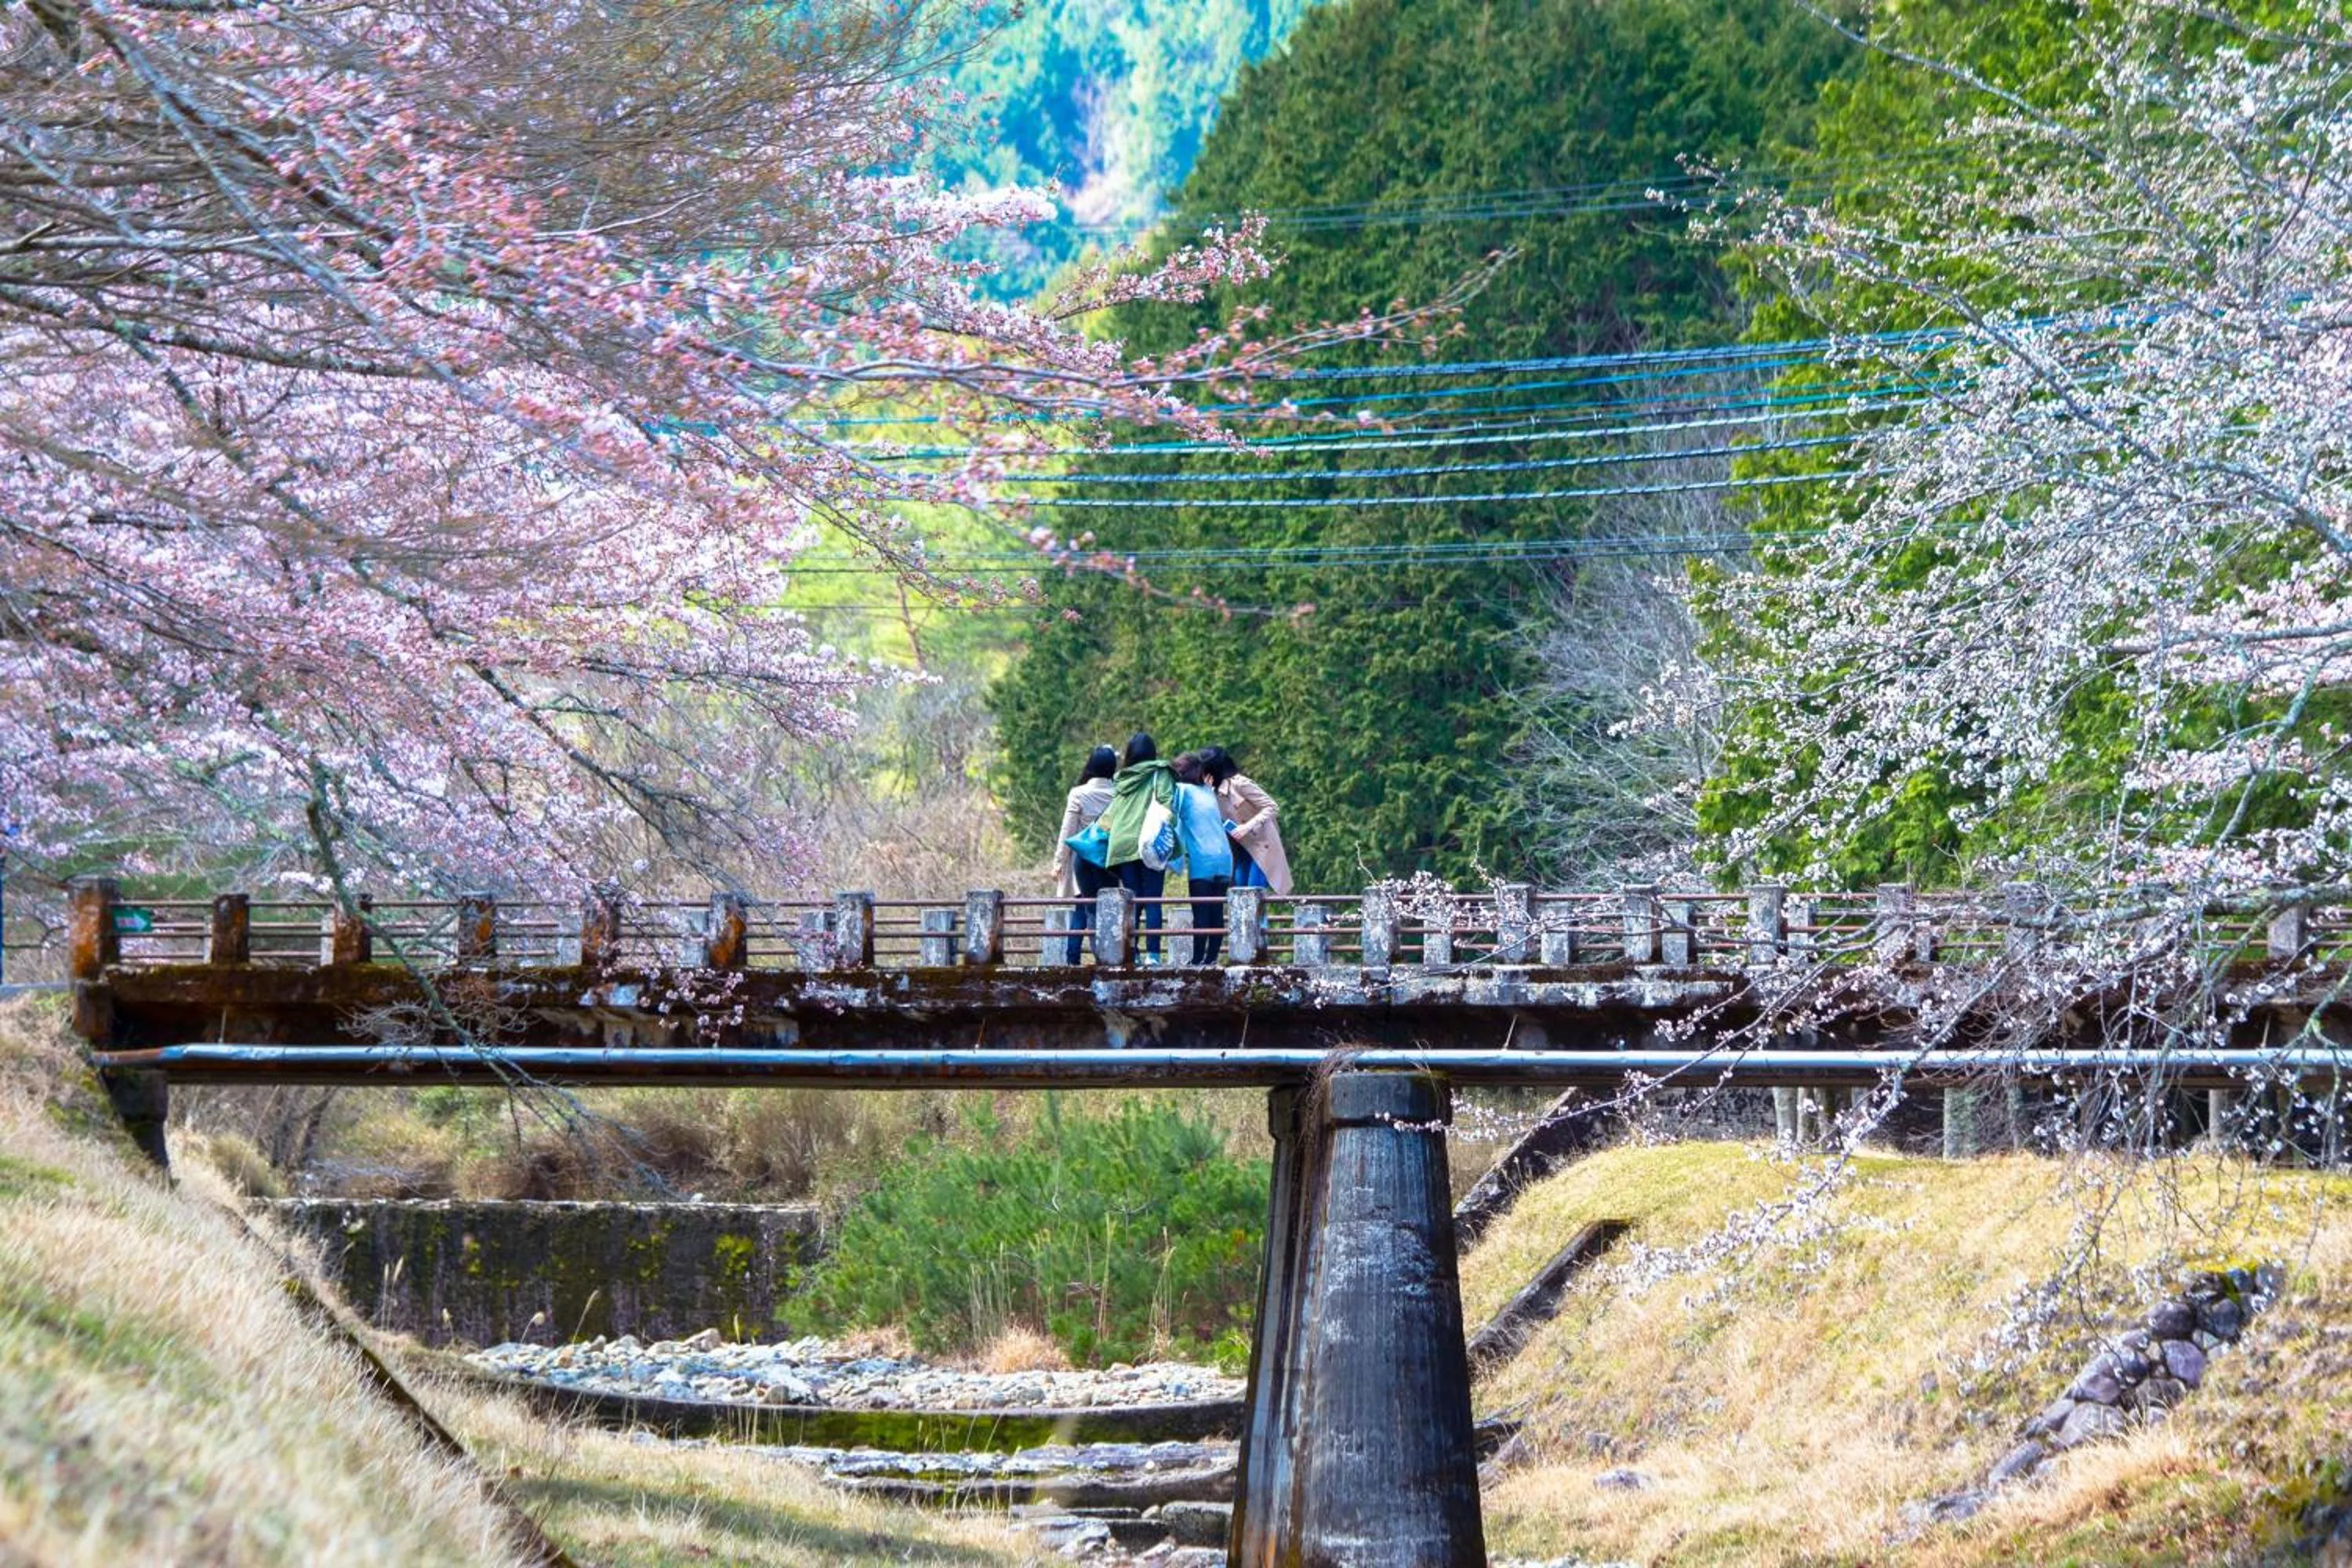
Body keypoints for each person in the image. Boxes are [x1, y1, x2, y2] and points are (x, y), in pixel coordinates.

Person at [1096, 731, 1175, 961]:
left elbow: (1112, 816)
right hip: (1148, 842)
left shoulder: (1122, 779)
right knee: (1152, 899)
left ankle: (1132, 952)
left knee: (1131, 899)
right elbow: (1167, 806)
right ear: (1152, 752)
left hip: (1122, 842)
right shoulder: (1159, 773)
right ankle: (1152, 955)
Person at [1051, 745, 1119, 964]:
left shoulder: (1078, 794)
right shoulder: (1119, 793)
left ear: (1090, 765)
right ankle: (1107, 958)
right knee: (1108, 908)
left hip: (1082, 859)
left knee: (1083, 907)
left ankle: (1072, 960)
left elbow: (1067, 830)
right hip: (1108, 859)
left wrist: (1059, 862)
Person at [1197, 746, 1291, 895]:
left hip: (1261, 845)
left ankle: (1259, 920)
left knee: (1253, 895)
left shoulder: (1240, 784)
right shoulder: (1210, 793)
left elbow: (1272, 806)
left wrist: (1247, 827)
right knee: (1239, 895)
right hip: (1241, 849)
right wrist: (1207, 796)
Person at [1170, 753, 1236, 964]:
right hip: (1225, 858)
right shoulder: (1208, 792)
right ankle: (1211, 960)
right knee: (1216, 912)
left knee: (1201, 914)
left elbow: (1168, 817)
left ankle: (1197, 960)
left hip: (1202, 859)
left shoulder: (1181, 791)